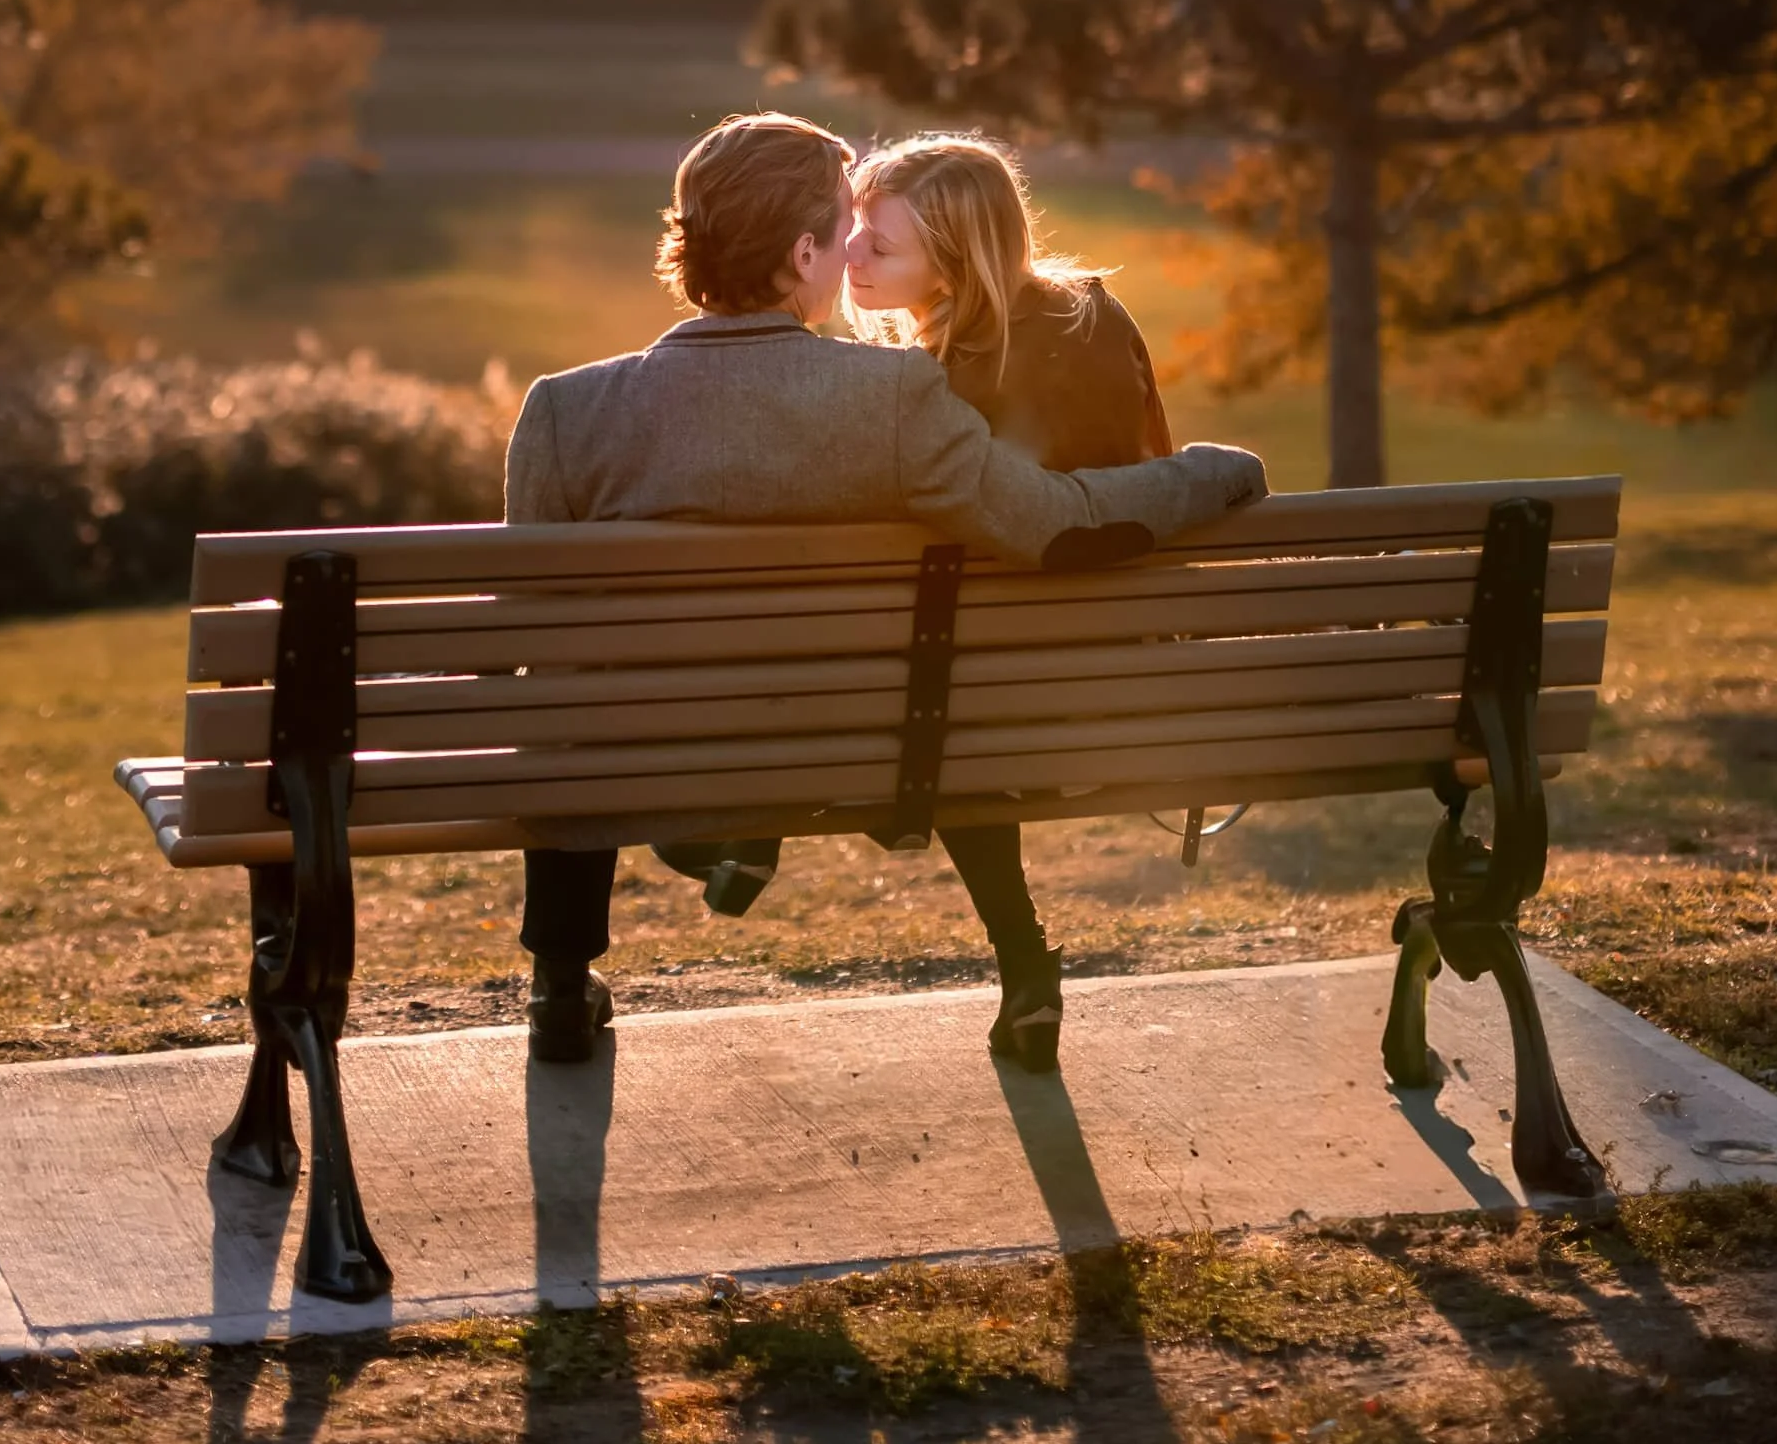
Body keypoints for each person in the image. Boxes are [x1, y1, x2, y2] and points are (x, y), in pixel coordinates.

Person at [506, 109, 1266, 1066]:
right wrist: (1214, 472)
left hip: (641, 763)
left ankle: (560, 985)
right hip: (855, 755)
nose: (853, 251)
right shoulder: (892, 397)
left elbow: (533, 640)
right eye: (842, 227)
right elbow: (1052, 523)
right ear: (804, 251)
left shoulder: (564, 410)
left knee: (572, 703)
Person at [843, 133, 1175, 1067]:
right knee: (966, 681)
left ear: (954, 263)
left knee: (943, 699)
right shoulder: (1098, 319)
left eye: (880, 243)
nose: (851, 255)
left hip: (979, 716)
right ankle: (1024, 969)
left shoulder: (939, 378)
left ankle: (1024, 957)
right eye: (856, 231)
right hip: (1125, 675)